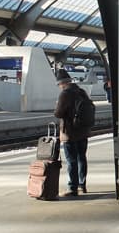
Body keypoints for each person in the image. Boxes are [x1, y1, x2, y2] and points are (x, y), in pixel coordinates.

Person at [53, 69, 91, 197]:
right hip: (83, 131)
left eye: (59, 85)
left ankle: (72, 188)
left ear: (62, 83)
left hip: (69, 133)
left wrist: (57, 105)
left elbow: (58, 113)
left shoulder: (65, 94)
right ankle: (82, 185)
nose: (59, 87)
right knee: (82, 158)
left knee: (72, 160)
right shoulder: (81, 92)